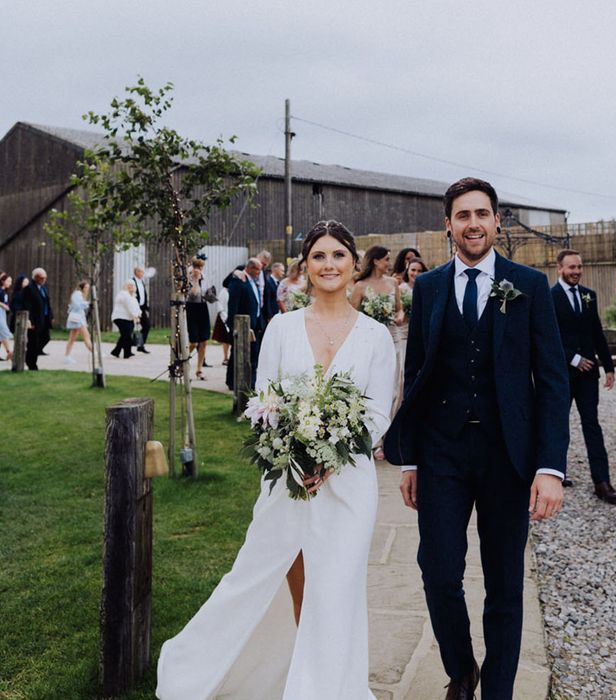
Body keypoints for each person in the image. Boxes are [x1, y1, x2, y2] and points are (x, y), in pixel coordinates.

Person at [156, 220, 396, 700]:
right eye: (319, 256)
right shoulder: (282, 328)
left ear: (354, 264)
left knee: (337, 587)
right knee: (257, 573)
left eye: (338, 256)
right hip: (288, 480)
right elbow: (264, 403)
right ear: (305, 267)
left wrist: (331, 456)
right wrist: (295, 456)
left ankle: (325, 688)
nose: (329, 265)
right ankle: (207, 667)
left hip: (348, 483)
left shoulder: (375, 336)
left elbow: (375, 413)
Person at [384, 177, 569, 700]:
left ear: (496, 221)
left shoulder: (528, 286)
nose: (473, 224)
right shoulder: (430, 287)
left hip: (508, 457)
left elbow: (553, 382)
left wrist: (550, 467)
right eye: (462, 215)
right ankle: (462, 670)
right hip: (442, 454)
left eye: (482, 214)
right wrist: (410, 461)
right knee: (438, 571)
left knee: (505, 584)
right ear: (448, 225)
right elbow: (417, 376)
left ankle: (499, 692)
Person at [551, 250, 616, 506]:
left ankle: (602, 482)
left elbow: (597, 333)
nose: (576, 272)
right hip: (562, 373)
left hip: (588, 374)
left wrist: (609, 366)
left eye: (579, 267)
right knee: (557, 424)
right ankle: (556, 472)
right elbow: (548, 337)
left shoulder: (589, 296)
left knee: (592, 424)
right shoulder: (550, 297)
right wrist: (573, 358)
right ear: (559, 268)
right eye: (571, 267)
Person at [351, 246, 404, 460]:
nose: (389, 263)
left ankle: (387, 439)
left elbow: (398, 308)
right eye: (386, 259)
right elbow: (351, 314)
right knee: (370, 387)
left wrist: (398, 315)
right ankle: (370, 437)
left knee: (394, 389)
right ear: (375, 261)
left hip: (393, 336)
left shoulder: (393, 284)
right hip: (368, 339)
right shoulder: (360, 286)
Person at [226, 257, 264, 389]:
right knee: (237, 354)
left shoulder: (253, 281)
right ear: (250, 268)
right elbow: (233, 305)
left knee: (253, 355)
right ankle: (232, 382)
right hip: (242, 324)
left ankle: (250, 382)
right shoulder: (239, 280)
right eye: (258, 270)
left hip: (255, 323)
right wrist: (234, 325)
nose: (260, 273)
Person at [21, 268, 52, 370]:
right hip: (35, 320)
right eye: (42, 278)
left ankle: (30, 355)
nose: (44, 279)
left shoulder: (43, 288)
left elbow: (46, 302)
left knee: (46, 337)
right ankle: (32, 364)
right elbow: (27, 306)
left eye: (45, 277)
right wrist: (30, 321)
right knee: (33, 342)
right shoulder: (29, 289)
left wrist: (51, 316)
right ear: (36, 278)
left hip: (44, 318)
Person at [187, 258, 211, 380]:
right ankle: (183, 362)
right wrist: (195, 280)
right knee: (193, 342)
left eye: (201, 268)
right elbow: (193, 294)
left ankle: (199, 369)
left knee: (204, 341)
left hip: (203, 308)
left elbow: (208, 293)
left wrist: (210, 295)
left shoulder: (204, 276)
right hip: (192, 308)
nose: (200, 270)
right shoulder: (189, 277)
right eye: (198, 267)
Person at [63, 280, 93, 365]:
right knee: (86, 337)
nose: (87, 289)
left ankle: (67, 356)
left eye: (88, 288)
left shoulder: (81, 295)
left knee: (72, 339)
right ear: (82, 287)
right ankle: (95, 353)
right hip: (77, 320)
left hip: (78, 319)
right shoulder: (77, 294)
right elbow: (77, 305)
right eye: (86, 287)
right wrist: (88, 304)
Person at [110, 280, 141, 359]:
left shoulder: (133, 296)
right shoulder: (123, 294)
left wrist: (138, 314)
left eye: (132, 285)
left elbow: (136, 307)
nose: (130, 287)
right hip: (120, 317)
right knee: (126, 335)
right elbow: (129, 306)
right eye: (128, 285)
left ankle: (117, 351)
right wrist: (135, 316)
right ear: (125, 286)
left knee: (125, 335)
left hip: (129, 319)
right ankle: (126, 353)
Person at [132, 265, 151, 352]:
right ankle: (127, 345)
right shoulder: (132, 281)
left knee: (146, 326)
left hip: (142, 308)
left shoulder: (141, 282)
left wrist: (146, 307)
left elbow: (143, 295)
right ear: (136, 272)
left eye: (143, 272)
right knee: (129, 327)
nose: (142, 273)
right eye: (141, 272)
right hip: (134, 308)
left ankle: (140, 345)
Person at [0, 272, 13, 361]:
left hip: (3, 313)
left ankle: (9, 352)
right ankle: (10, 352)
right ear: (3, 281)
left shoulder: (4, 292)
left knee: (1, 334)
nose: (10, 283)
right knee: (4, 331)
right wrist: (2, 305)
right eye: (8, 281)